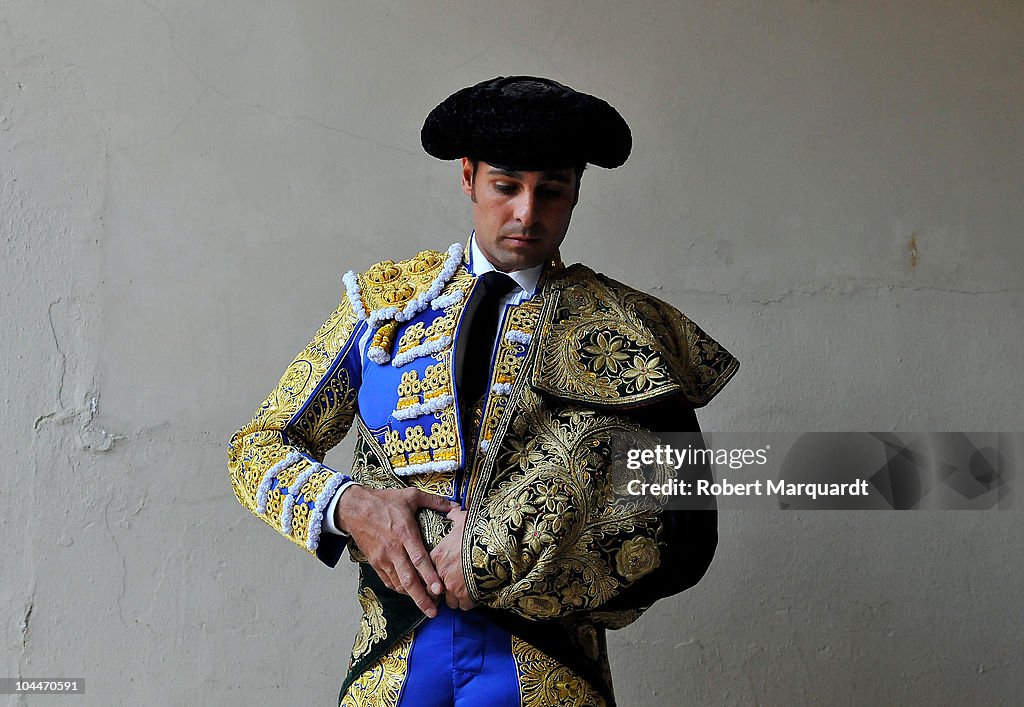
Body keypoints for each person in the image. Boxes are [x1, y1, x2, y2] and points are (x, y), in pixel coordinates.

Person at [228, 75, 739, 706]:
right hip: (394, 661)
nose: (527, 213)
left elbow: (686, 529)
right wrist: (350, 506)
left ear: (576, 193)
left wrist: (522, 558)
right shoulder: (387, 306)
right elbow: (256, 450)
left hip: (548, 668)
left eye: (551, 191)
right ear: (467, 177)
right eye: (506, 187)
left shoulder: (622, 328)